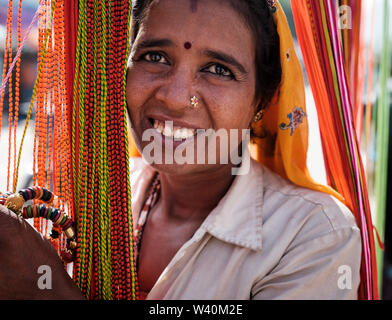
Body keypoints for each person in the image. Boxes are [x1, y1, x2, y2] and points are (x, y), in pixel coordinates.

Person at [0, 0, 361, 300]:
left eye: (218, 69)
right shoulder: (92, 194)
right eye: (155, 57)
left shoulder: (313, 235)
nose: (175, 98)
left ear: (261, 102)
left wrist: (45, 290)